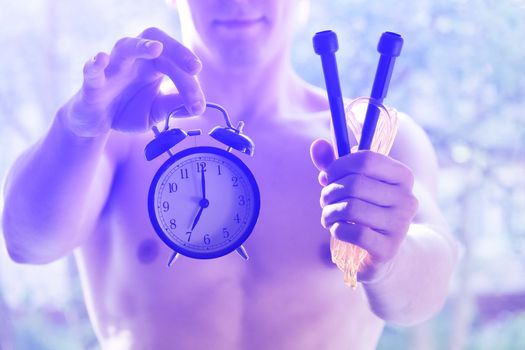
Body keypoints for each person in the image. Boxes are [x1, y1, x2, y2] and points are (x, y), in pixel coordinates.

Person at [1, 0, 458, 349]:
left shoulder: (369, 139)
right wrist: (80, 128)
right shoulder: (114, 129)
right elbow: (28, 241)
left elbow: (426, 291)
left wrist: (391, 254)